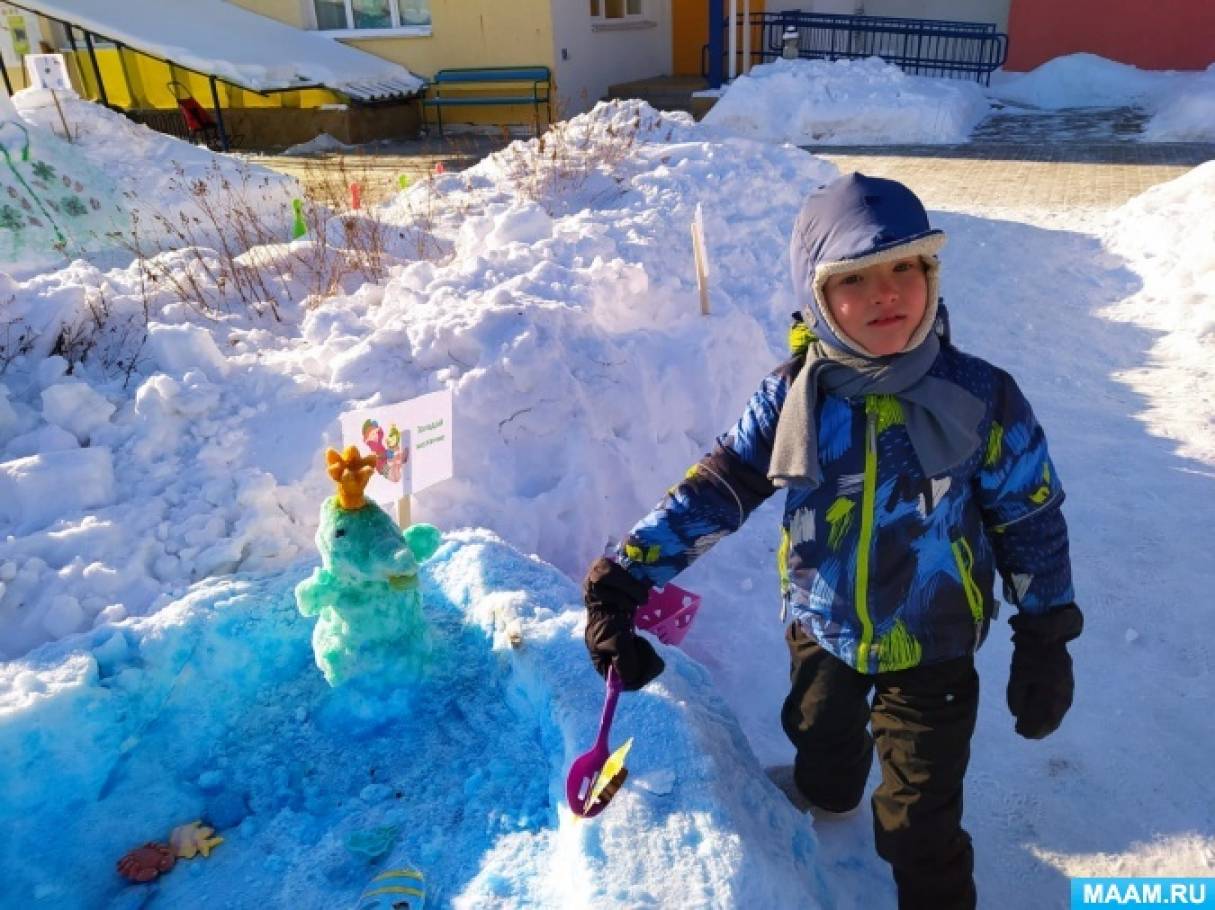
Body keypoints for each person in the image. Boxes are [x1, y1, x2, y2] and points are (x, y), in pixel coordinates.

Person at [582, 173, 1081, 910]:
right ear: (817, 294)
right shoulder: (791, 398)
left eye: (903, 268)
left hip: (935, 639)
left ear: (930, 274)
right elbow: (714, 491)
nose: (887, 294)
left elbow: (1029, 514)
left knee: (918, 822)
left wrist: (1045, 631)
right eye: (855, 279)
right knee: (819, 737)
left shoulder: (982, 396)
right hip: (822, 623)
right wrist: (622, 580)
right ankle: (824, 791)